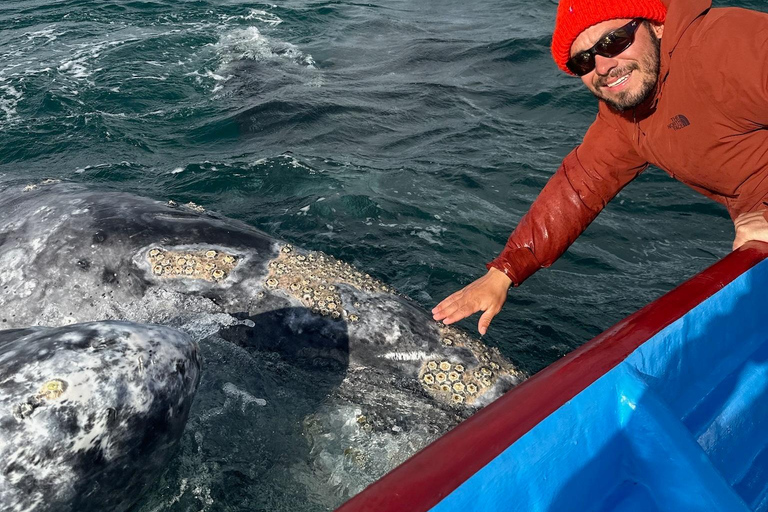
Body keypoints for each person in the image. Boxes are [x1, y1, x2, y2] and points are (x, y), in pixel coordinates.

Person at [432, 0, 768, 335]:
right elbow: (580, 187)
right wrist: (503, 273)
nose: (604, 66)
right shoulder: (626, 116)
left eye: (614, 41)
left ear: (656, 25)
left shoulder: (722, 45)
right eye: (583, 61)